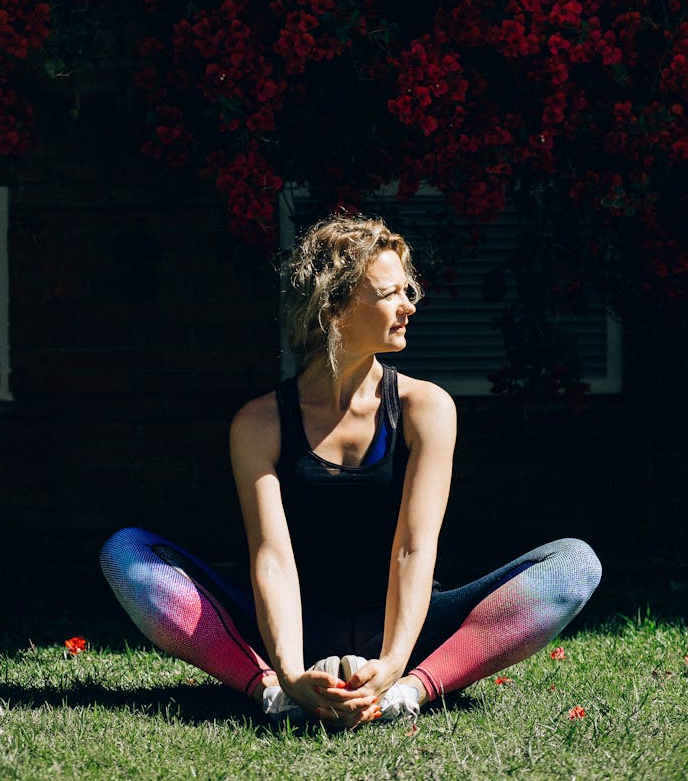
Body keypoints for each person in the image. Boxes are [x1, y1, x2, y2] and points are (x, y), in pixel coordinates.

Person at [100, 213, 602, 729]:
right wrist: (290, 670)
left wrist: (394, 666)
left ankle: (407, 694)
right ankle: (272, 693)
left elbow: (413, 548)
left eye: (408, 291)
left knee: (575, 564)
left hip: (406, 630)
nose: (409, 306)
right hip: (284, 632)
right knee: (125, 552)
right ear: (335, 307)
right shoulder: (259, 423)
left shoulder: (425, 407)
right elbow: (271, 557)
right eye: (391, 295)